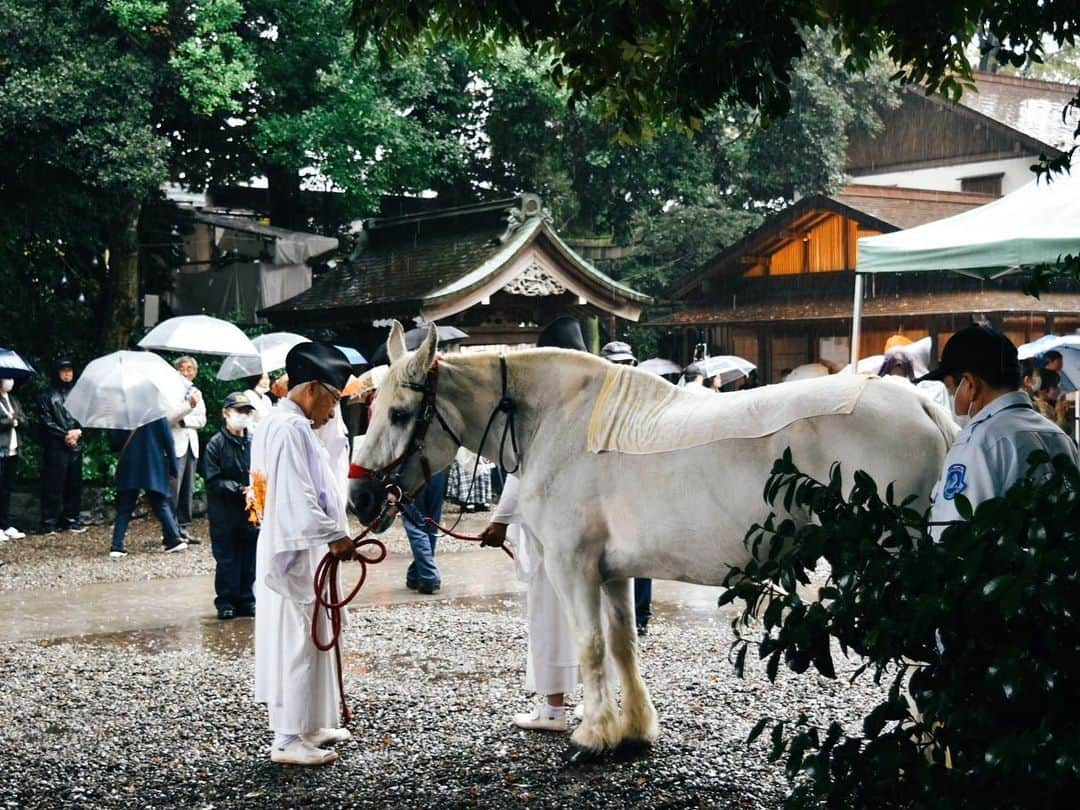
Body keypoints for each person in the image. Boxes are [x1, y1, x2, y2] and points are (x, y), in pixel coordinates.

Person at [479, 316, 589, 731]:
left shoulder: (543, 412)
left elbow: (518, 468)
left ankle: (553, 708)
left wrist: (500, 520)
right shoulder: (594, 404)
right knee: (590, 614)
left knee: (549, 614)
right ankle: (594, 701)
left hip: (551, 530)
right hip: (592, 530)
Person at [251, 342, 355, 767]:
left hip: (292, 546)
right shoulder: (291, 428)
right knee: (299, 638)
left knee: (310, 636)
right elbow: (297, 495)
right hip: (295, 551)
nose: (332, 412)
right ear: (312, 390)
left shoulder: (276, 422)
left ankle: (309, 723)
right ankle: (288, 736)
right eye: (331, 400)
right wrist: (334, 534)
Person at [925, 326, 1079, 540]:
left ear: (970, 384)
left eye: (952, 389)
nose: (952, 398)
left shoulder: (977, 444)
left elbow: (952, 540)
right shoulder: (1060, 437)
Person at [600, 340, 652, 635]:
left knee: (639, 551)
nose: (622, 370)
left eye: (626, 364)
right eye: (616, 364)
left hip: (638, 484)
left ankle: (640, 616)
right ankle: (616, 614)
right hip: (606, 486)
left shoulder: (644, 400)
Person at [204, 392, 259, 620]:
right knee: (227, 558)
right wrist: (240, 489)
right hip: (224, 511)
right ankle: (225, 601)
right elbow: (212, 479)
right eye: (239, 411)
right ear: (226, 413)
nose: (243, 416)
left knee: (249, 557)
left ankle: (247, 599)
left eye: (247, 411)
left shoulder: (253, 442)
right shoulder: (215, 444)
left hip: (250, 510)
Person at [108, 417, 188, 557]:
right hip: (152, 464)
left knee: (125, 508)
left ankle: (116, 546)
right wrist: (173, 468)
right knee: (160, 503)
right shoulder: (156, 412)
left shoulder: (122, 414)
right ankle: (174, 539)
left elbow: (114, 443)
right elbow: (168, 441)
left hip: (130, 465)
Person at [38, 358, 86, 535]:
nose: (67, 374)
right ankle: (49, 522)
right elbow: (46, 421)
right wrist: (65, 434)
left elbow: (85, 416)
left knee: (74, 484)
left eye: (70, 370)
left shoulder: (78, 394)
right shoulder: (46, 396)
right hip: (56, 446)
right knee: (53, 484)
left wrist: (78, 432)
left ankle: (71, 519)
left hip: (75, 444)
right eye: (64, 370)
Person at [169, 356, 206, 544]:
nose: (186, 372)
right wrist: (187, 406)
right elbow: (169, 417)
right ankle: (170, 529)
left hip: (192, 443)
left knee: (187, 488)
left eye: (190, 368)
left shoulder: (197, 392)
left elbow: (202, 419)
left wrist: (186, 421)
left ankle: (183, 527)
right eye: (182, 368)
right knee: (174, 488)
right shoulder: (170, 391)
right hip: (175, 444)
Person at [0, 377, 29, 540]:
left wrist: (16, 420)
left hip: (13, 449)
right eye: (6, 378)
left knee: (7, 489)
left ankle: (5, 524)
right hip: (0, 449)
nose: (9, 381)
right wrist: (10, 420)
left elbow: (24, 420)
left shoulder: (13, 399)